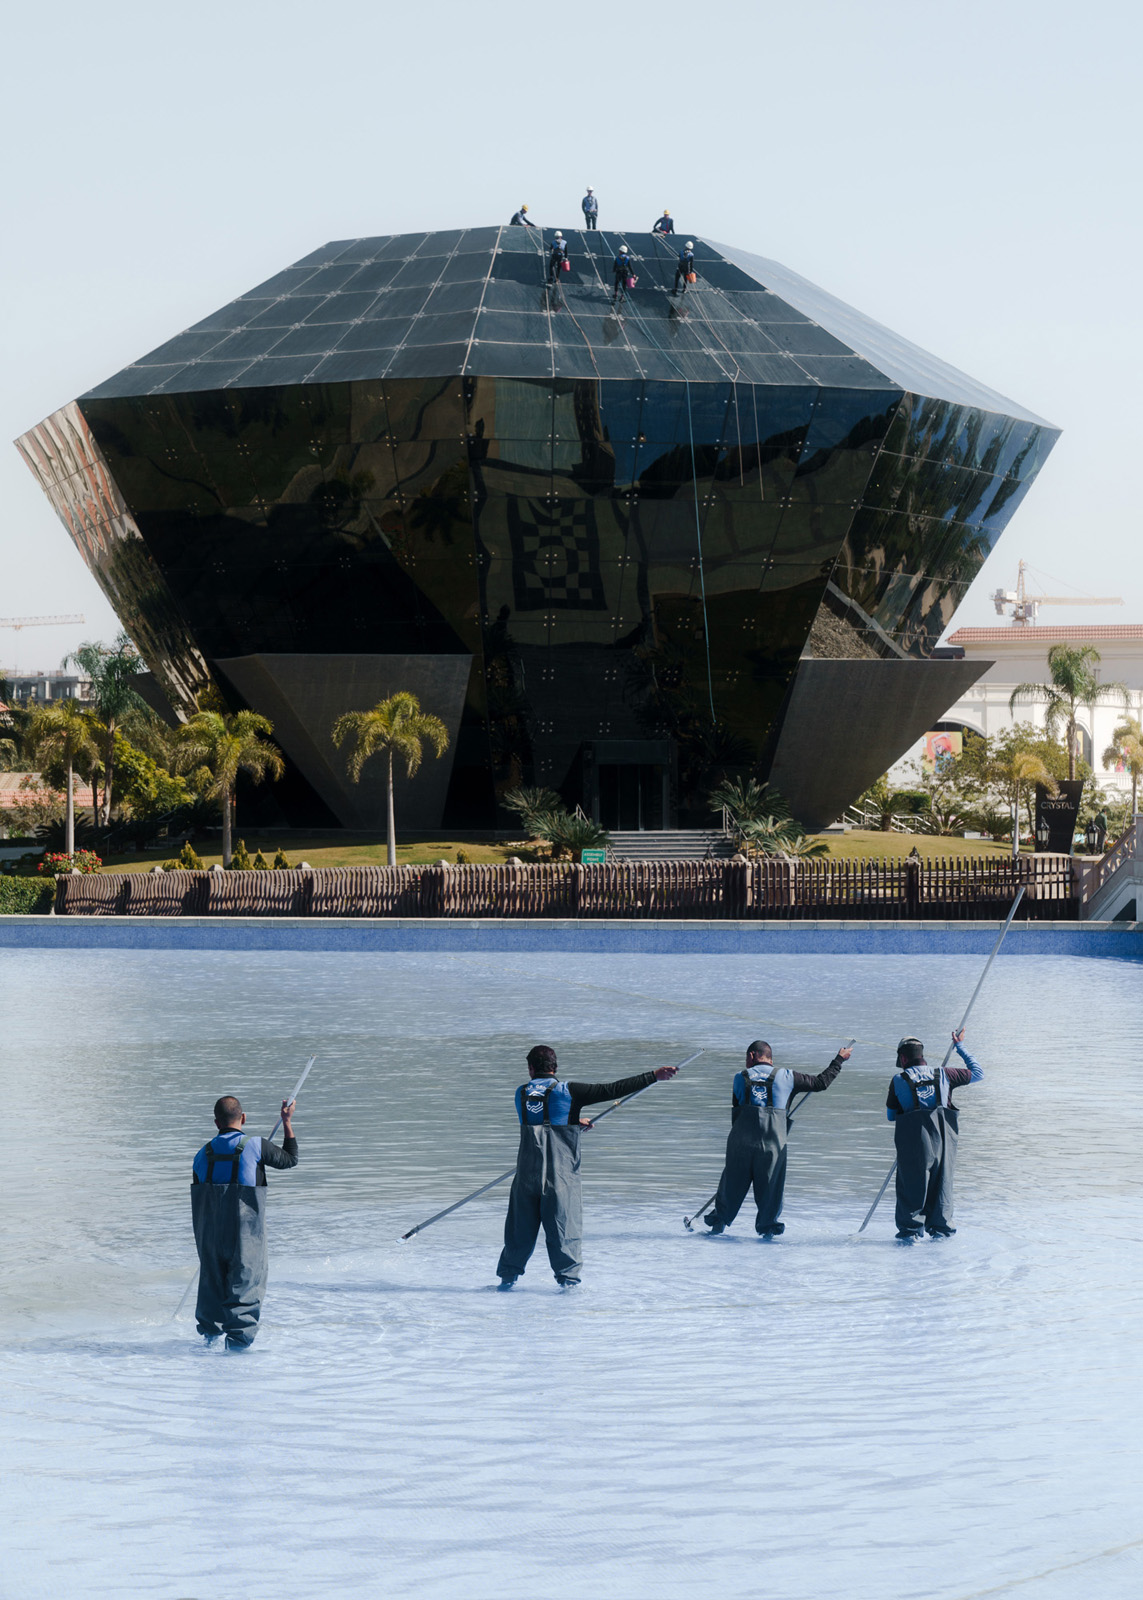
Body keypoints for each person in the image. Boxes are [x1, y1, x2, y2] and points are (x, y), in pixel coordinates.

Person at [497, 1045, 679, 1290]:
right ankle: (568, 1287)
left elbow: (542, 1118)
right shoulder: (568, 1091)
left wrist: (572, 1121)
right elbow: (611, 1090)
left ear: (530, 1069)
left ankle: (506, 1282)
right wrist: (653, 1076)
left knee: (519, 1231)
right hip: (559, 1177)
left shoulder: (520, 1093)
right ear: (555, 1067)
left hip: (526, 1176)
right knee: (564, 1231)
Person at [705, 1040, 850, 1239]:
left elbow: (736, 1112)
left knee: (730, 1187)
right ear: (770, 1058)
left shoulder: (739, 1077)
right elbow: (820, 1083)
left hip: (740, 1143)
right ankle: (767, 1234)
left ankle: (717, 1227)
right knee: (770, 1190)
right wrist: (839, 1060)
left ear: (752, 1056)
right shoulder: (788, 1076)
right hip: (772, 1143)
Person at [191, 1094, 298, 1349]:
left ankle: (206, 1348)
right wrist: (287, 1121)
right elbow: (290, 1159)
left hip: (209, 1236)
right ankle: (236, 1355)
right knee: (246, 1289)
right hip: (245, 1236)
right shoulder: (256, 1146)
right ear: (244, 1118)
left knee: (211, 1289)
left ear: (216, 1123)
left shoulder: (201, 1155)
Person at [886, 1029, 982, 1243]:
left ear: (903, 1058)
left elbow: (891, 1116)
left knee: (911, 1188)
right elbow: (978, 1073)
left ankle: (910, 1236)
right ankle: (941, 1236)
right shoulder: (946, 1074)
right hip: (944, 1141)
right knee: (942, 1188)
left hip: (914, 1143)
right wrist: (960, 1047)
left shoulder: (899, 1079)